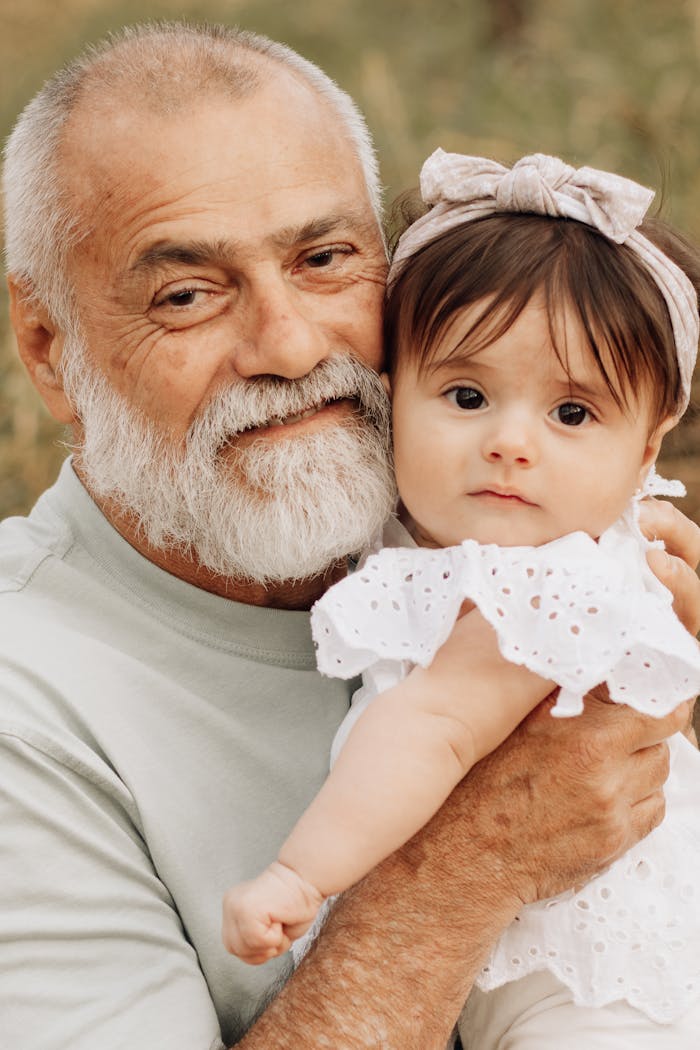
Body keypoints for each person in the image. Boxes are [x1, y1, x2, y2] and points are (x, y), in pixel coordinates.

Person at [1, 22, 698, 1050]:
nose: (287, 346)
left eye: (324, 258)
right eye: (188, 293)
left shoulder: (495, 518)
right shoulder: (28, 701)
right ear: (48, 352)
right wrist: (466, 870)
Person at [221, 152, 700, 1046]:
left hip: (597, 982)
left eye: (573, 414)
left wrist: (299, 877)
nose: (511, 442)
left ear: (648, 447)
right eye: (468, 395)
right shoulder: (482, 542)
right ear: (389, 393)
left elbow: (432, 725)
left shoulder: (538, 583)